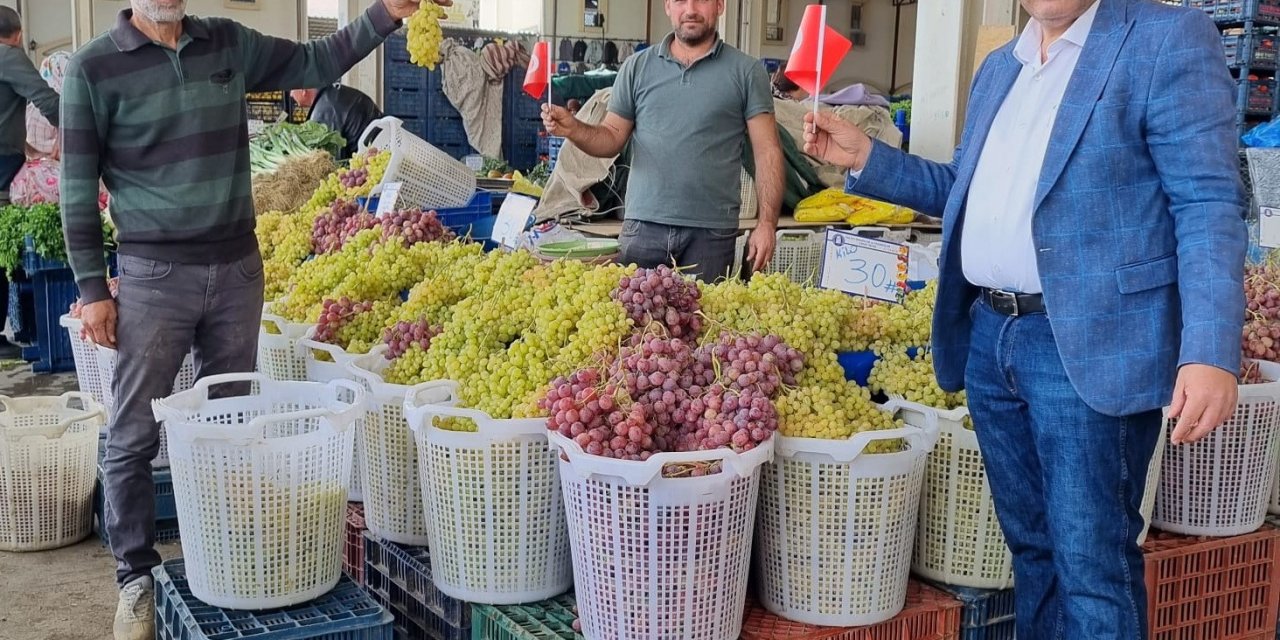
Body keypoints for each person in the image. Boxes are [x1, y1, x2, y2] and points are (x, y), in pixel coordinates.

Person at [803, 1, 1244, 638]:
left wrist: (1209, 349)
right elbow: (965, 189)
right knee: (1032, 552)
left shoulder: (1164, 38)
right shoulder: (998, 68)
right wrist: (867, 156)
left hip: (1088, 345)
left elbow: (1206, 200)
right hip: (991, 338)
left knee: (1093, 563)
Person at [57, 1, 453, 638]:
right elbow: (75, 187)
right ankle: (135, 578)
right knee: (134, 430)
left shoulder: (226, 43)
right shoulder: (93, 69)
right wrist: (91, 287)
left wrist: (386, 13)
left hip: (239, 268)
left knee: (234, 420)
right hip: (155, 275)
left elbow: (317, 59)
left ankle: (230, 552)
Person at [541, 0, 784, 282]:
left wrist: (767, 224)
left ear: (720, 5)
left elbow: (768, 151)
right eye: (680, 0)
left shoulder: (746, 71)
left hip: (711, 234)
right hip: (643, 228)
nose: (690, 9)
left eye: (702, 0)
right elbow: (610, 138)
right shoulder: (636, 68)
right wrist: (573, 128)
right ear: (668, 6)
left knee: (704, 322)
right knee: (634, 322)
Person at [0, 8, 59, 355]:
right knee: (3, 244)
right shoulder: (9, 56)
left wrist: (34, 149)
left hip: (9, 156)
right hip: (2, 166)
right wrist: (77, 134)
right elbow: (47, 98)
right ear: (19, 35)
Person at [290, 83, 384, 160]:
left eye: (291, 90)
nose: (291, 95)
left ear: (303, 90)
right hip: (383, 142)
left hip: (373, 156)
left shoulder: (323, 113)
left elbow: (334, 159)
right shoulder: (334, 92)